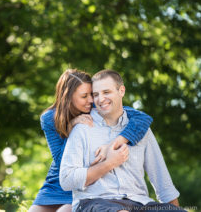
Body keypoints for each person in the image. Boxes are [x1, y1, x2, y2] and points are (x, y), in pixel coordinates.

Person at [59, 69, 185, 212]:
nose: (100, 99)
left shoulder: (140, 129)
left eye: (106, 92)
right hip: (95, 202)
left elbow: (161, 179)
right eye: (95, 95)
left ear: (121, 91)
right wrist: (109, 163)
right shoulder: (82, 128)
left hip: (140, 203)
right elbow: (66, 179)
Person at [29, 69, 153, 212]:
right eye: (84, 96)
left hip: (89, 182)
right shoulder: (49, 118)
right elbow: (61, 160)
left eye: (91, 94)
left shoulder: (96, 106)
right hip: (57, 183)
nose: (91, 100)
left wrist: (114, 143)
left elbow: (143, 118)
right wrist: (72, 127)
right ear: (68, 97)